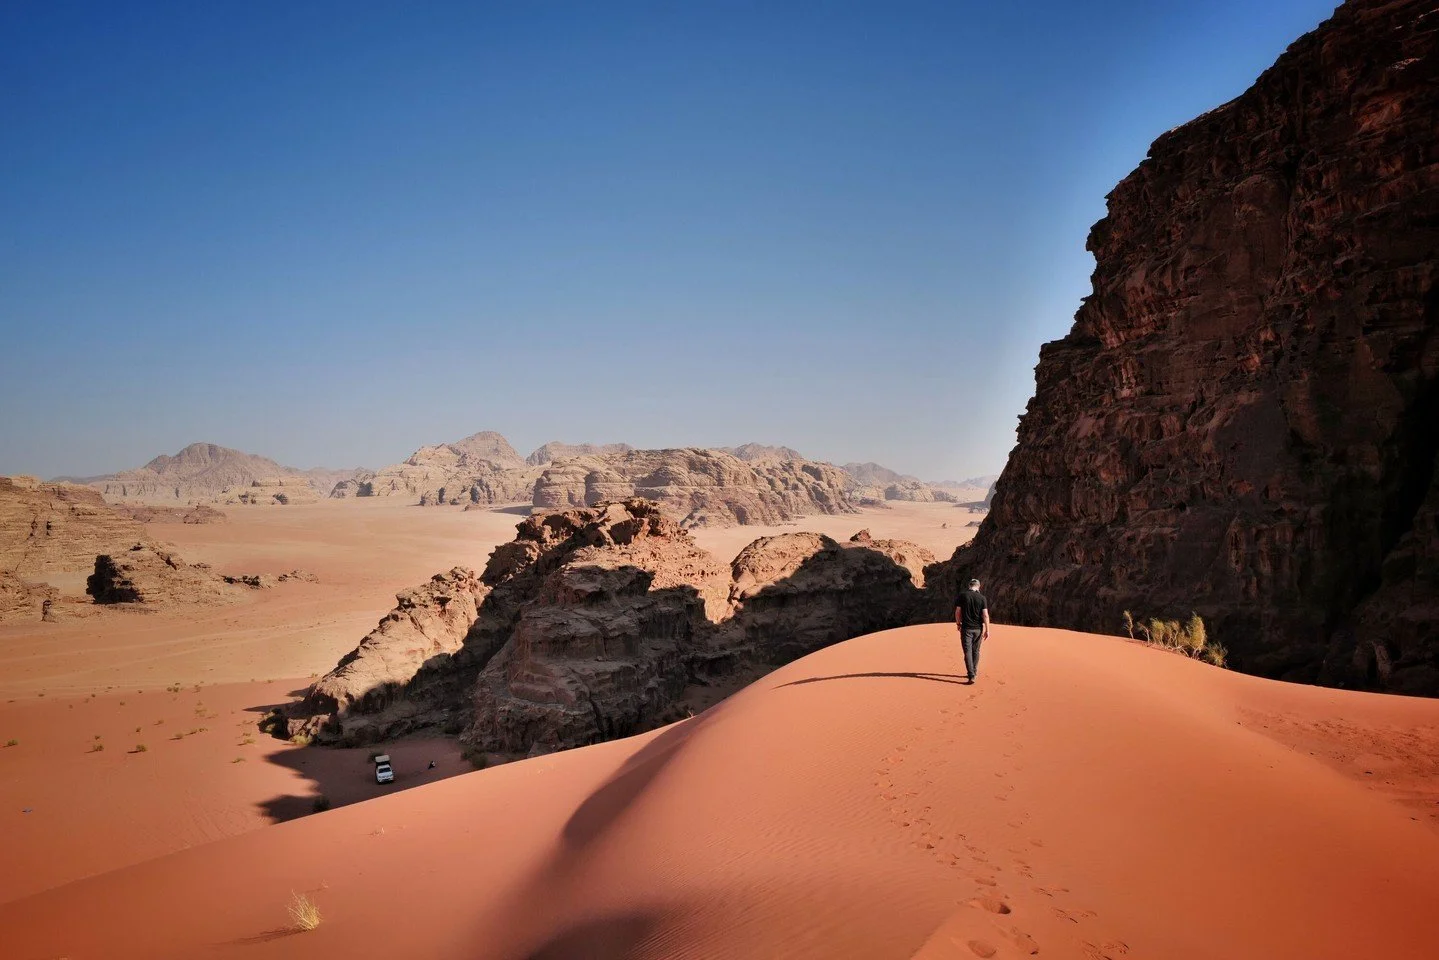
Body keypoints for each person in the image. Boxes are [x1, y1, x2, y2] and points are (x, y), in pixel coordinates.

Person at [954, 577, 990, 684]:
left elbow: (957, 612)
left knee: (967, 652)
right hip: (978, 629)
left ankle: (971, 675)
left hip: (966, 629)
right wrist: (988, 630)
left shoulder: (962, 596)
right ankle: (974, 671)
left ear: (969, 586)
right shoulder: (982, 598)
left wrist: (958, 623)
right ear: (978, 586)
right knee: (976, 651)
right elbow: (985, 615)